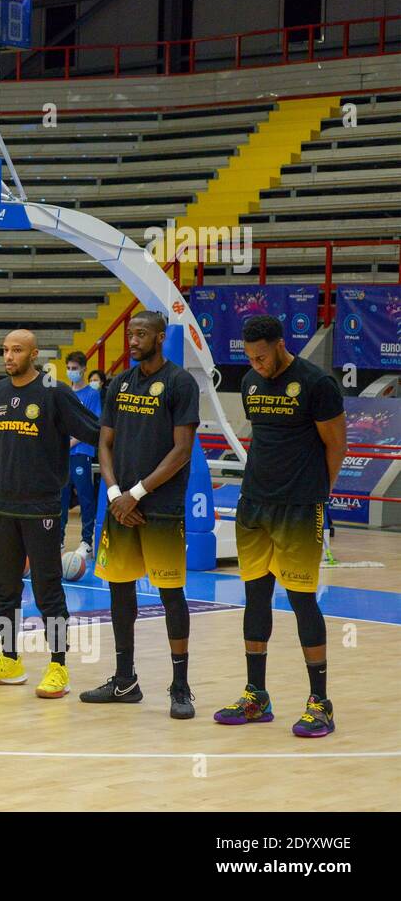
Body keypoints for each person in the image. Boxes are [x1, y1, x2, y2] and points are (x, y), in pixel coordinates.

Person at [214, 315, 346, 738]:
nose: (256, 364)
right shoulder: (252, 383)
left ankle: (319, 702)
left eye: (262, 356)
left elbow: (336, 446)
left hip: (299, 507)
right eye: (251, 358)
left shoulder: (316, 384)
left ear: (280, 345)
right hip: (254, 506)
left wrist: (316, 495)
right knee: (255, 597)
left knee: (302, 600)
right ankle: (257, 695)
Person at [0, 330, 101, 698]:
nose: (9, 356)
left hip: (43, 506)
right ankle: (10, 660)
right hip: (4, 505)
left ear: (34, 354)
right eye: (5, 349)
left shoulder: (54, 391)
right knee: (4, 588)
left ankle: (58, 667)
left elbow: (93, 431)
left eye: (17, 350)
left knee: (47, 590)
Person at [82, 311, 200, 718]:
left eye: (141, 334)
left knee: (171, 595)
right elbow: (105, 443)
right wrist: (115, 493)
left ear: (160, 337)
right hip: (121, 506)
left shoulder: (180, 383)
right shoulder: (118, 383)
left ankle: (180, 686)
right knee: (119, 591)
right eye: (129, 333)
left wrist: (136, 493)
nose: (132, 340)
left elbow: (182, 451)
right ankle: (124, 680)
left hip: (160, 509)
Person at [60, 350, 102, 559]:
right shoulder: (65, 393)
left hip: (81, 452)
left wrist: (70, 443)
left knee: (85, 496)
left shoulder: (92, 395)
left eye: (74, 369)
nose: (71, 372)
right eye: (68, 369)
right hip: (63, 454)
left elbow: (93, 425)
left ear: (84, 369)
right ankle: (58, 539)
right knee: (61, 497)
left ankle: (86, 541)